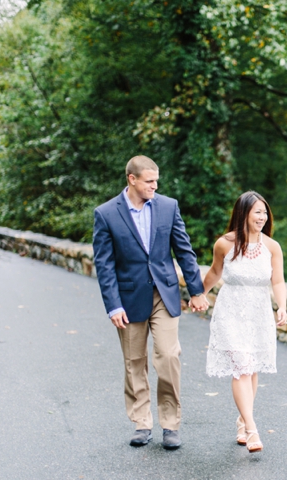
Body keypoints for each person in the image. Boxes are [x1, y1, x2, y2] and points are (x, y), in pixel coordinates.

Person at [92, 155, 209, 449]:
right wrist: (113, 305)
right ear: (132, 179)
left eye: (156, 181)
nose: (155, 186)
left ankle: (170, 424)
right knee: (134, 362)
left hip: (165, 294)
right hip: (128, 298)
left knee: (168, 356)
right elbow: (104, 265)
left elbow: (184, 250)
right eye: (149, 181)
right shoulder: (106, 214)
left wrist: (196, 291)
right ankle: (142, 423)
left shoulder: (168, 207)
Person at [202, 191, 287, 453]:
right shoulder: (224, 244)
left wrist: (282, 305)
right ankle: (251, 429)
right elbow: (215, 272)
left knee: (251, 369)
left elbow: (278, 280)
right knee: (241, 366)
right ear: (243, 213)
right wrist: (197, 295)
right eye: (257, 212)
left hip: (259, 313)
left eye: (264, 212)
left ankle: (242, 419)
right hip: (230, 312)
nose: (262, 217)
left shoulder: (272, 247)